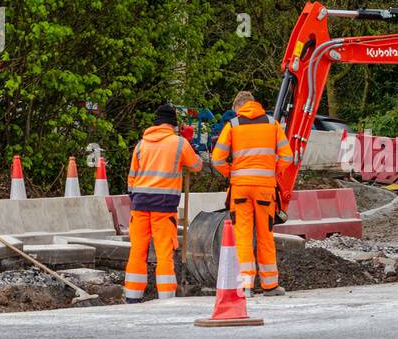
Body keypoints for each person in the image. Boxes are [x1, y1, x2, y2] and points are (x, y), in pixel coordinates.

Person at [211, 90, 294, 295]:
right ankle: (270, 285)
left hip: (240, 188)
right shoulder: (272, 124)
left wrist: (231, 174)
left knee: (243, 235)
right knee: (265, 235)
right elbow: (287, 157)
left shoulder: (233, 125)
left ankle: (246, 286)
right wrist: (270, 171)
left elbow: (217, 159)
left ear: (238, 108)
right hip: (265, 189)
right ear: (254, 104)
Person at [124, 103, 202, 303]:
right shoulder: (179, 143)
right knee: (164, 253)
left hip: (140, 205)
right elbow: (196, 166)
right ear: (173, 124)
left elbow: (131, 179)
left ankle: (132, 297)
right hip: (164, 206)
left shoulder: (141, 144)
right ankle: (166, 298)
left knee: (137, 251)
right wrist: (190, 144)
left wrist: (136, 199)